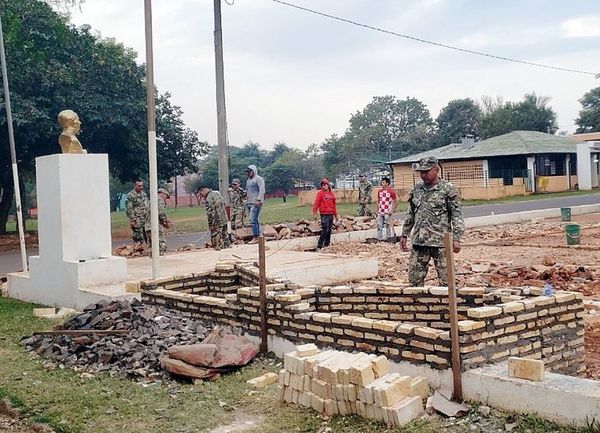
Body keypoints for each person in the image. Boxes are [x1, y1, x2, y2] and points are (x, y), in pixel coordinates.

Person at [400, 156, 465, 286]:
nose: (423, 175)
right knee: (414, 281)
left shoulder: (448, 189)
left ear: (436, 170)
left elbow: (456, 215)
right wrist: (404, 234)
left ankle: (447, 305)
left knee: (448, 281)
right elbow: (411, 214)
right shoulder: (416, 190)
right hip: (420, 242)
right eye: (421, 172)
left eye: (426, 172)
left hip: (441, 242)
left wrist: (457, 238)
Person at [195, 185, 230, 250]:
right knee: (225, 233)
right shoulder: (217, 193)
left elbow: (210, 213)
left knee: (216, 236)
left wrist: (210, 224)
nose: (202, 196)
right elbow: (223, 203)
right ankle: (227, 245)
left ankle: (217, 247)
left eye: (201, 193)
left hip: (216, 220)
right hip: (224, 217)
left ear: (203, 190)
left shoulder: (208, 198)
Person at [312, 178, 337, 251]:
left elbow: (334, 205)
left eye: (325, 184)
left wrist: (335, 215)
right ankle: (319, 246)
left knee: (329, 230)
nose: (323, 186)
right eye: (322, 185)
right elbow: (316, 203)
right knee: (325, 230)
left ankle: (327, 244)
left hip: (331, 214)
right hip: (324, 214)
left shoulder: (331, 194)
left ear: (328, 185)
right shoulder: (320, 193)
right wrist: (314, 212)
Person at [245, 164, 265, 244]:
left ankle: (255, 236)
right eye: (247, 172)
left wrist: (258, 199)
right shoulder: (248, 181)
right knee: (255, 220)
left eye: (249, 171)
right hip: (249, 202)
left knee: (252, 219)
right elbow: (247, 191)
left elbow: (262, 190)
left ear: (253, 171)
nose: (248, 173)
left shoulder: (259, 179)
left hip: (256, 202)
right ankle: (259, 235)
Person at [125, 180, 149, 246]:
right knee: (138, 236)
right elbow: (129, 208)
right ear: (135, 186)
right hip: (137, 219)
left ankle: (148, 249)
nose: (141, 187)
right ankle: (138, 250)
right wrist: (132, 220)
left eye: (142, 186)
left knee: (147, 234)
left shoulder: (143, 194)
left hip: (145, 218)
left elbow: (146, 205)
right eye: (139, 186)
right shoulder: (130, 195)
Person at [376, 177, 397, 241]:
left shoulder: (391, 192)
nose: (382, 183)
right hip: (380, 212)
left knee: (387, 225)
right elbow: (378, 201)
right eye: (381, 182)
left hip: (387, 212)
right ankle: (378, 238)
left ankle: (389, 237)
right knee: (379, 225)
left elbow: (396, 202)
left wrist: (392, 211)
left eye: (383, 182)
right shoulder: (379, 192)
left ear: (387, 183)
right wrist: (377, 210)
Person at [156, 188, 172, 254]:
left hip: (148, 226)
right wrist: (166, 221)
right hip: (156, 225)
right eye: (166, 196)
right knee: (161, 244)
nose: (165, 199)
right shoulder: (160, 200)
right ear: (162, 194)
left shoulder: (151, 199)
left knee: (153, 247)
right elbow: (161, 213)